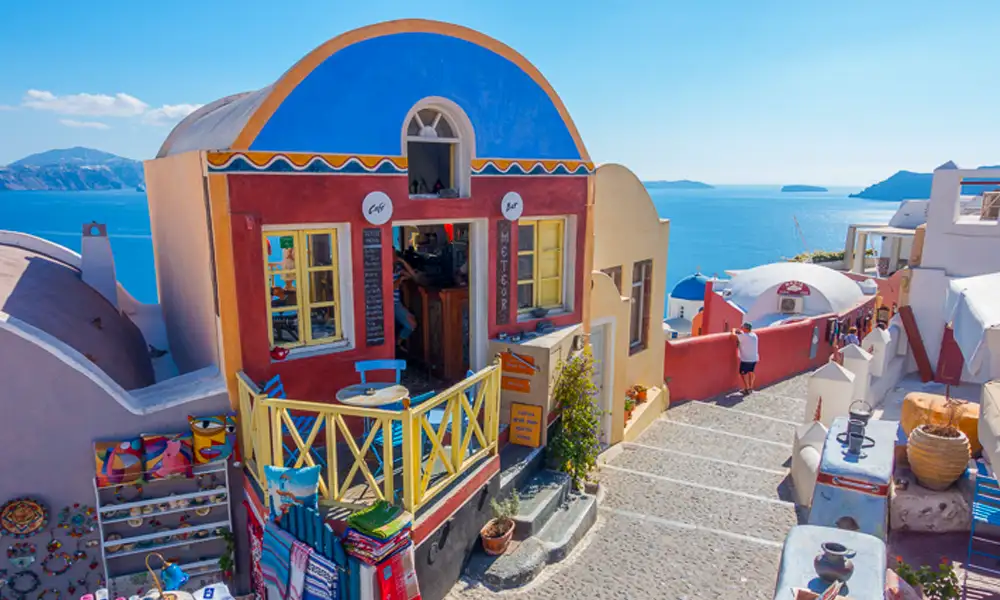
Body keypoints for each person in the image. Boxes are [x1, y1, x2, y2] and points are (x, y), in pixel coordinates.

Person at [393, 251, 419, 348]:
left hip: (396, 304)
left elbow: (414, 276)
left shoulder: (397, 270)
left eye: (394, 255)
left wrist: (402, 261)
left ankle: (397, 344)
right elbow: (389, 288)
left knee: (412, 324)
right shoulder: (382, 270)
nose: (393, 257)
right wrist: (400, 280)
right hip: (385, 305)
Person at [731, 322, 759, 395]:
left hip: (746, 359)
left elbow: (733, 336)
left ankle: (747, 389)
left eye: (742, 327)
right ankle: (750, 387)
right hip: (754, 358)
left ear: (746, 328)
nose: (741, 328)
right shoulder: (754, 335)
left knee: (743, 373)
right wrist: (741, 332)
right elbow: (744, 335)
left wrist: (734, 330)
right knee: (751, 372)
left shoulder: (744, 336)